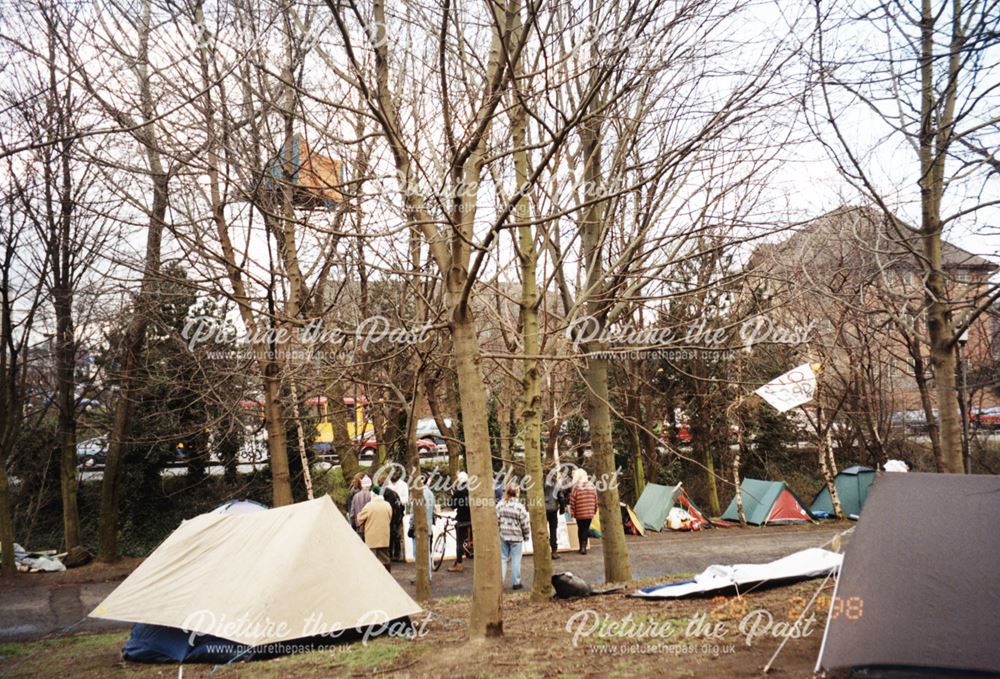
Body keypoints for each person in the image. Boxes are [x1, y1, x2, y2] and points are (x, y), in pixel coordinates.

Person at [496, 482, 531, 590]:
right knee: (516, 559)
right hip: (516, 536)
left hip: (503, 535)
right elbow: (525, 523)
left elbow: (496, 520)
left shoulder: (500, 505)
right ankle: (516, 582)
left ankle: (499, 582)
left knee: (503, 558)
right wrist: (526, 535)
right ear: (517, 493)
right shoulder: (520, 507)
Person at [357, 492, 393, 571]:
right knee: (385, 558)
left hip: (372, 537)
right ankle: (388, 576)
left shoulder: (369, 506)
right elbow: (390, 517)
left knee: (372, 558)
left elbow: (360, 518)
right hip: (384, 536)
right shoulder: (387, 505)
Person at [408, 479, 436, 580]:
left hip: (417, 528)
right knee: (426, 553)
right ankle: (428, 575)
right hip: (428, 528)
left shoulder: (417, 494)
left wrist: (411, 527)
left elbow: (413, 513)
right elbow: (433, 510)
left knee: (417, 553)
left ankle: (421, 575)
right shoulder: (430, 493)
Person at [569, 468, 598, 555]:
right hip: (589, 512)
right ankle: (583, 547)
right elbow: (596, 499)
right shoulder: (592, 486)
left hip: (579, 512)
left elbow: (572, 500)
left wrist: (572, 511)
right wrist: (595, 510)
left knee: (580, 528)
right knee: (585, 528)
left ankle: (581, 546)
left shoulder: (576, 487)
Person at [447, 471, 472, 572]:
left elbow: (452, 505)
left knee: (459, 542)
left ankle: (459, 563)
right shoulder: (472, 488)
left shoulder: (459, 491)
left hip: (462, 519)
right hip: (472, 519)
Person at [543, 465, 568, 560]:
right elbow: (561, 497)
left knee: (542, 531)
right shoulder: (556, 483)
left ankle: (543, 551)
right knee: (553, 530)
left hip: (542, 510)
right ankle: (554, 551)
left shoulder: (539, 483)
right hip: (553, 510)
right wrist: (562, 508)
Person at [385, 470, 410, 562]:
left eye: (395, 474)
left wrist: (396, 501)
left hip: (399, 511)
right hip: (388, 511)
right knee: (389, 533)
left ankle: (397, 554)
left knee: (397, 533)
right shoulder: (387, 485)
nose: (393, 476)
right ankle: (389, 553)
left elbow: (406, 499)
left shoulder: (403, 485)